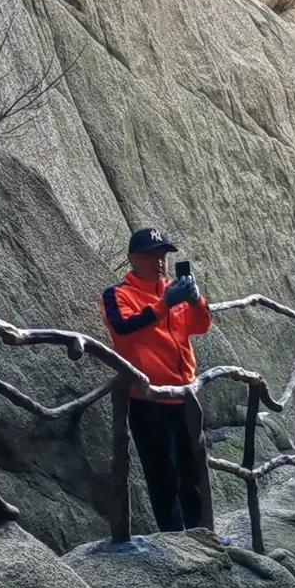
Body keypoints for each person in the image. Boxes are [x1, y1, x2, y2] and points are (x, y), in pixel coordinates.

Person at [102, 226, 212, 532]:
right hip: (148, 399)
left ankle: (200, 533)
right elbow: (123, 327)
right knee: (163, 475)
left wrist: (196, 300)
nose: (159, 262)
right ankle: (175, 540)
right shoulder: (117, 295)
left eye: (162, 256)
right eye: (151, 256)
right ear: (132, 259)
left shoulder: (172, 291)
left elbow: (201, 326)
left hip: (184, 395)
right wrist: (164, 304)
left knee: (192, 472)